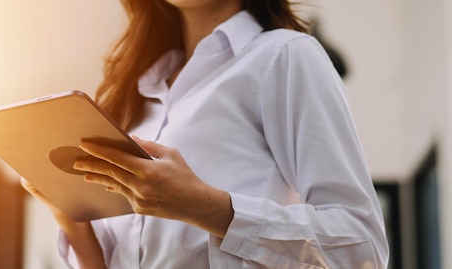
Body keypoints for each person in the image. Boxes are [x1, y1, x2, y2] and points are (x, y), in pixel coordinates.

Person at [21, 0, 390, 268]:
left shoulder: (284, 56)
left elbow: (362, 249)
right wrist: (68, 213)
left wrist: (204, 207)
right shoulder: (135, 94)